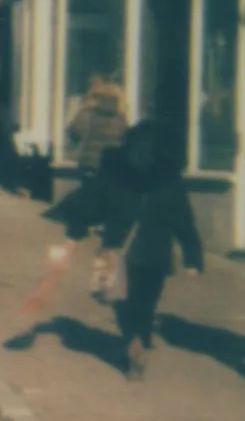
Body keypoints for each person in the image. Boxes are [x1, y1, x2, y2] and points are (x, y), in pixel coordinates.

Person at [44, 120, 205, 377]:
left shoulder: (115, 175)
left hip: (117, 252)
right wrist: (193, 257)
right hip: (156, 255)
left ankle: (132, 340)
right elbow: (184, 221)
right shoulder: (170, 181)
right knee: (147, 303)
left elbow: (88, 206)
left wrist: (73, 234)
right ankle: (141, 338)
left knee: (122, 304)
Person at [63, 72, 129, 180]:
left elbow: (74, 133)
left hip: (88, 164)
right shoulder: (120, 118)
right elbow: (125, 139)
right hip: (111, 165)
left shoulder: (87, 114)